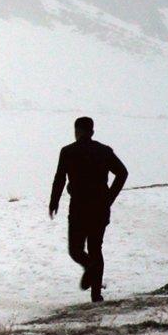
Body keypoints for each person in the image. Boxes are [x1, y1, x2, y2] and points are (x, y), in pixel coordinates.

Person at [49, 116, 128, 303]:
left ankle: (90, 268)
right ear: (92, 132)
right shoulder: (104, 151)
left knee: (76, 250)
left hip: (79, 208)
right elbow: (122, 173)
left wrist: (54, 201)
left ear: (76, 132)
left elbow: (60, 178)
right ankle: (96, 295)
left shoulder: (68, 152)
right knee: (95, 248)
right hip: (100, 208)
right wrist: (109, 197)